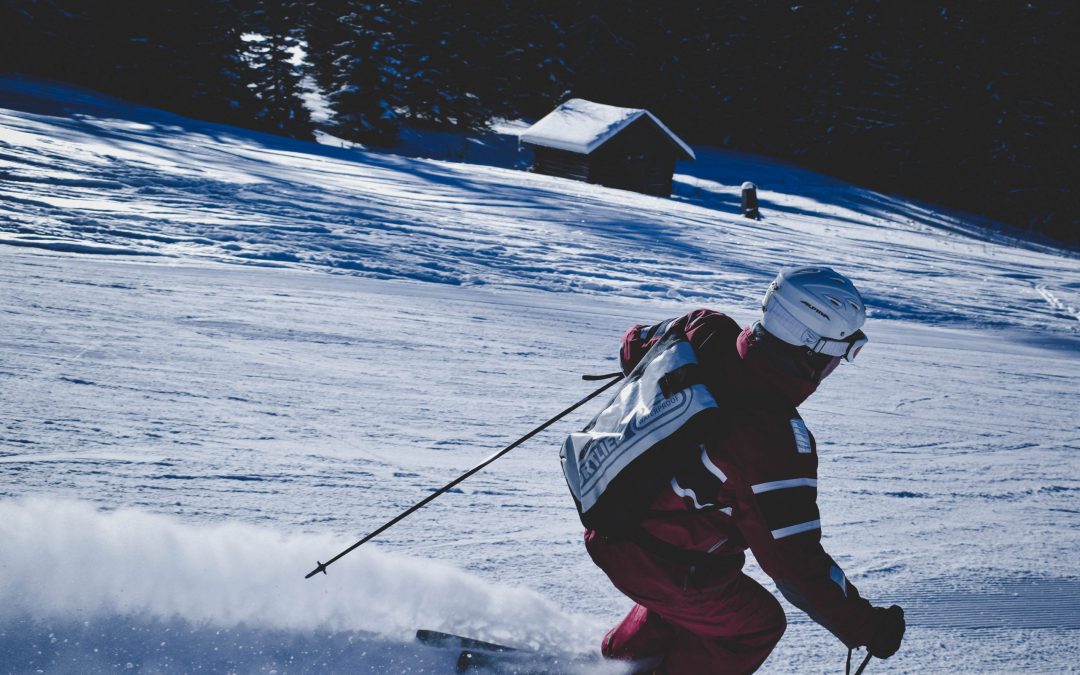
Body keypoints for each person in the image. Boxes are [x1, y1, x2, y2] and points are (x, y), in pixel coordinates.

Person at [585, 266, 905, 674]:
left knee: (707, 589)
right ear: (810, 350)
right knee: (754, 625)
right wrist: (867, 627)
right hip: (657, 559)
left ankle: (618, 662)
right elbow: (794, 564)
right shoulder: (773, 441)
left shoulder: (705, 329)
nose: (835, 367)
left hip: (610, 515)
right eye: (839, 355)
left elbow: (633, 344)